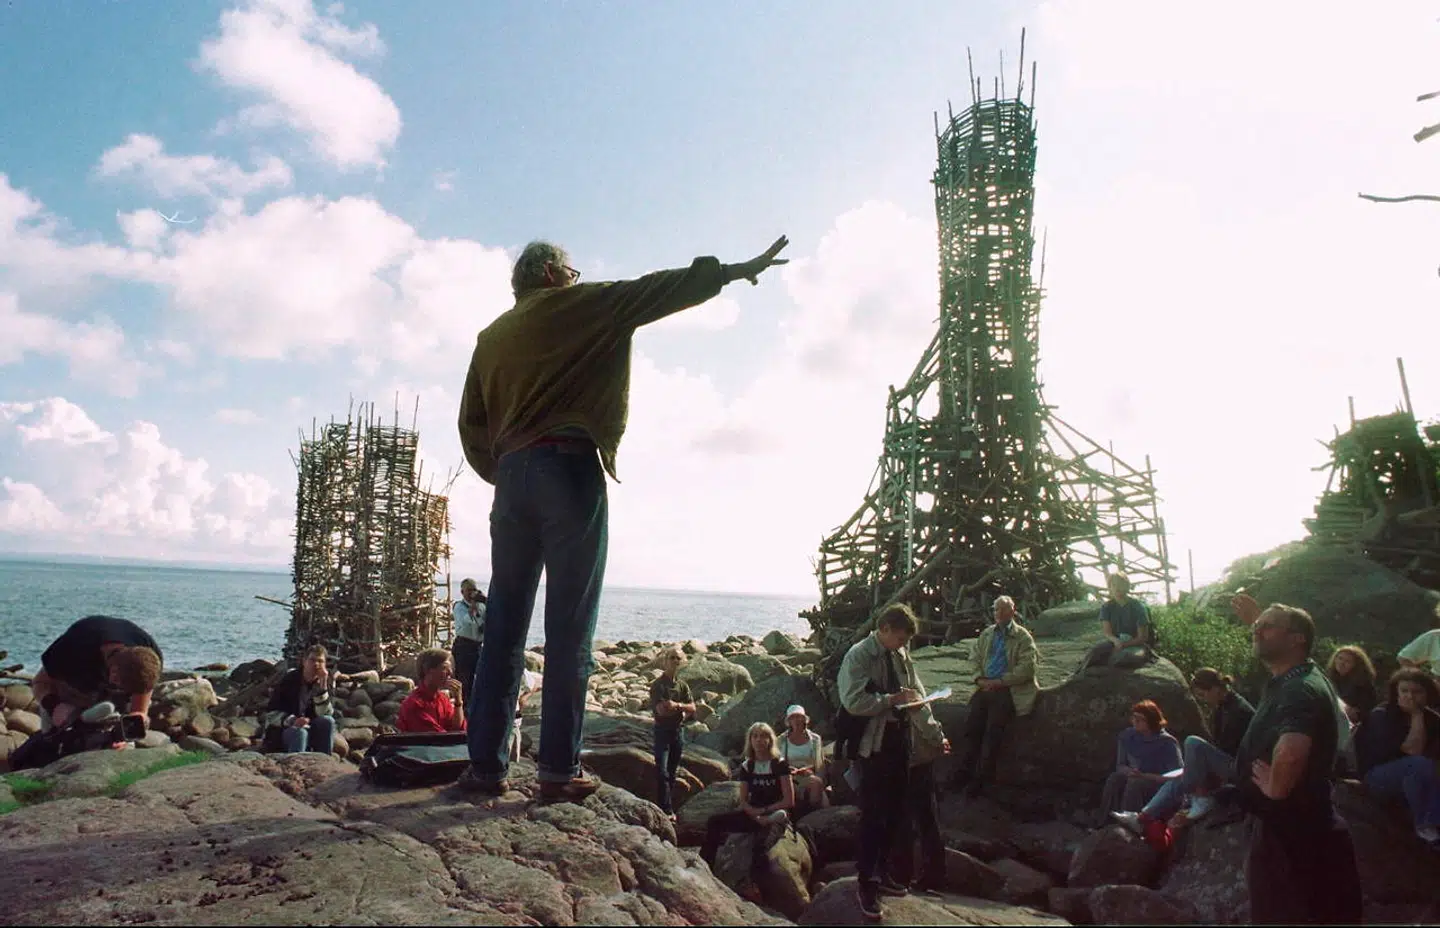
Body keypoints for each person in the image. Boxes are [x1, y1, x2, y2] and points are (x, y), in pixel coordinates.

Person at [456, 235, 790, 803]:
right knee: (569, 631)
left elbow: (471, 425)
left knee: (504, 629)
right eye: (572, 269)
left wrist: (510, 473)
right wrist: (730, 271)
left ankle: (485, 767)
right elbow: (657, 290)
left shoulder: (491, 338)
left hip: (511, 480)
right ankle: (558, 772)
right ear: (556, 275)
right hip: (569, 470)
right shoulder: (582, 304)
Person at [1229, 592, 1363, 924]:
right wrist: (1261, 624)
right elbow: (1276, 648)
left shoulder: (1298, 689)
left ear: (1296, 640)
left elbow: (1290, 750)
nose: (1257, 631)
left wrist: (1275, 788)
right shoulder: (1300, 674)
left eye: (1268, 628)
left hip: (1288, 831)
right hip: (1306, 822)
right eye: (1257, 627)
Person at [838, 603, 949, 920]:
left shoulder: (900, 654)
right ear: (884, 629)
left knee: (897, 812)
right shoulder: (859, 655)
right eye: (899, 638)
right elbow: (853, 701)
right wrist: (890, 701)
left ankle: (884, 873)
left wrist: (934, 733)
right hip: (873, 746)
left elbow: (917, 694)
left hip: (901, 742)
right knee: (873, 815)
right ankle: (867, 884)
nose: (903, 644)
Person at [1112, 667, 1256, 839]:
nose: (1203, 700)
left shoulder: (1239, 711)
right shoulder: (1221, 708)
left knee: (1192, 742)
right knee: (1177, 779)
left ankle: (1196, 796)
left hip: (1242, 768)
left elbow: (1230, 750)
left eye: (1203, 695)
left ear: (1216, 689)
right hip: (1227, 762)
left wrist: (1205, 779)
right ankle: (1141, 818)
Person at [952, 595, 1038, 799]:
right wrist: (980, 679)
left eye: (1002, 609)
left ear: (1012, 611)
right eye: (995, 610)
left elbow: (1028, 668)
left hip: (1006, 689)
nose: (998, 613)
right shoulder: (987, 634)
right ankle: (963, 773)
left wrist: (1001, 682)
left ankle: (981, 780)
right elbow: (974, 659)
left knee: (993, 732)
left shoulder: (1023, 637)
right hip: (986, 686)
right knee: (971, 727)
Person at [32, 615, 163, 733]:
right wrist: (54, 705)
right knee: (54, 737)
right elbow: (40, 681)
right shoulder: (74, 646)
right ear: (114, 673)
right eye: (122, 687)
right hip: (73, 686)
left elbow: (143, 693)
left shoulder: (150, 654)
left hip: (106, 697)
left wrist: (138, 714)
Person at [1354, 667, 1440, 847]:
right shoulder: (1383, 715)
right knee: (1418, 764)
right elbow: (1412, 750)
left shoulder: (1433, 719)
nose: (1410, 696)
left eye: (1417, 692)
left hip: (1414, 778)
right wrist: (1416, 715)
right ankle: (1426, 826)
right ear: (1396, 692)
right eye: (1404, 691)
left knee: (1423, 770)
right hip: (1377, 776)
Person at [700, 722, 796, 875]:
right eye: (755, 736)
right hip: (754, 813)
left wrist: (764, 812)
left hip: (776, 813)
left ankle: (757, 889)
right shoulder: (748, 766)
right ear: (750, 740)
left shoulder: (780, 764)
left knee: (761, 848)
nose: (759, 740)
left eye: (764, 736)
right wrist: (755, 815)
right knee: (714, 822)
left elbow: (789, 801)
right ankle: (705, 869)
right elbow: (743, 800)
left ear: (770, 740)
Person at [1100, 700, 1183, 818]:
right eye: (1134, 718)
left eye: (1140, 719)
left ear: (1151, 721)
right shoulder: (1127, 736)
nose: (1135, 721)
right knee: (1115, 778)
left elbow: (1178, 774)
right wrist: (1130, 772)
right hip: (1135, 775)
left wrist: (1145, 776)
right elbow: (1120, 765)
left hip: (1157, 784)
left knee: (1135, 783)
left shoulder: (1167, 742)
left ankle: (1131, 821)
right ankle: (1104, 820)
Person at [650, 647, 696, 818]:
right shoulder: (658, 685)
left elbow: (692, 708)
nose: (675, 661)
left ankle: (669, 808)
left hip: (678, 732)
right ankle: (665, 809)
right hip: (662, 731)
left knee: (672, 771)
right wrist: (681, 710)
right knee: (662, 772)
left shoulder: (682, 685)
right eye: (672, 658)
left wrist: (676, 706)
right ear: (665, 661)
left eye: (678, 658)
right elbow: (661, 711)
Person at [264, 645, 336, 755]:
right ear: (304, 662)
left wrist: (322, 689)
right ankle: (296, 766)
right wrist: (293, 721)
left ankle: (324, 761)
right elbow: (271, 713)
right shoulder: (290, 680)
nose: (316, 664)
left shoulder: (327, 681)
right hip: (286, 730)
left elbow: (326, 714)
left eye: (320, 661)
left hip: (311, 728)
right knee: (301, 733)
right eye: (312, 660)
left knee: (328, 721)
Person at [1075, 574, 1152, 674]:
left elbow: (1142, 637)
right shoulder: (1107, 607)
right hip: (1115, 642)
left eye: (1121, 585)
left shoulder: (1138, 607)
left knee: (1126, 658)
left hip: (1135, 644)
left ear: (1127, 586)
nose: (1117, 588)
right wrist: (1116, 641)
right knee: (1095, 652)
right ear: (1110, 587)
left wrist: (1124, 645)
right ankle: (1076, 675)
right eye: (1114, 585)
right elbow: (1107, 632)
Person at [397, 649, 467, 733]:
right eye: (444, 667)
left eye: (450, 668)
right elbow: (437, 738)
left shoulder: (442, 699)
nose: (450, 672)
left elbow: (458, 729)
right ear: (427, 670)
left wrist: (458, 702)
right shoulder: (414, 704)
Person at [778, 704, 827, 814]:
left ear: (805, 719)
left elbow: (820, 765)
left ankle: (811, 816)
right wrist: (787, 769)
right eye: (793, 718)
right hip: (790, 778)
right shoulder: (781, 740)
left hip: (809, 776)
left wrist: (811, 773)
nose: (796, 720)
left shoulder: (815, 739)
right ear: (789, 722)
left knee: (816, 783)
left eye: (799, 717)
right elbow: (778, 762)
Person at [451, 579, 486, 712]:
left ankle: (477, 706)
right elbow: (467, 622)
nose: (471, 593)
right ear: (462, 592)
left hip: (477, 646)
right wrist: (472, 606)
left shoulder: (482, 606)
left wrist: (484, 600)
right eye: (468, 590)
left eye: (474, 590)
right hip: (463, 646)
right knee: (464, 679)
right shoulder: (459, 607)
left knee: (481, 677)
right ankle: (464, 709)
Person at [1326, 645, 1378, 724]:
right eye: (1340, 658)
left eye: (1347, 661)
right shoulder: (1329, 678)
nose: (1341, 663)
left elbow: (1363, 713)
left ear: (1356, 665)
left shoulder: (1363, 685)